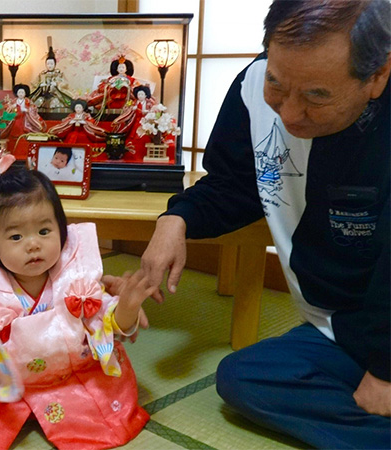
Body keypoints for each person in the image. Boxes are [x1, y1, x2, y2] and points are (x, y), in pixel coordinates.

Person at [141, 0, 390, 448]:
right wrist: (176, 218)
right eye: (277, 83)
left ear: (378, 76)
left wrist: (386, 370)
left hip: (383, 326)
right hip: (336, 329)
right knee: (243, 378)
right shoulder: (253, 85)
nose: (289, 114)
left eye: (317, 95)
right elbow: (235, 187)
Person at [0, 158, 153, 450]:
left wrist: (126, 305)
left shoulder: (76, 275)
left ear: (62, 232)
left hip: (71, 373)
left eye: (44, 231)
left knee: (95, 405)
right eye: (16, 236)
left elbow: (110, 327)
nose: (33, 244)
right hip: (10, 377)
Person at [0, 83, 46, 157]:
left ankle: (23, 150)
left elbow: (33, 109)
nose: (21, 94)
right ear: (16, 93)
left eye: (22, 92)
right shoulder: (14, 101)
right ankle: (12, 149)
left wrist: (27, 110)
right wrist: (12, 107)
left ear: (25, 93)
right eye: (19, 92)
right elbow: (7, 107)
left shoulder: (28, 101)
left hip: (25, 119)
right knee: (14, 131)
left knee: (24, 133)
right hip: (15, 118)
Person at [111, 85, 157, 154]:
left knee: (144, 133)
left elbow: (152, 111)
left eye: (142, 94)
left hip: (145, 120)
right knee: (133, 132)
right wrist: (132, 108)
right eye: (139, 94)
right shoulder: (135, 102)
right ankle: (132, 145)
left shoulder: (148, 103)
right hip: (136, 119)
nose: (140, 96)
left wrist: (146, 112)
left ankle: (142, 146)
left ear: (145, 95)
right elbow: (127, 109)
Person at [29, 43, 74, 113]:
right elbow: (33, 84)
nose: (49, 66)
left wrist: (57, 84)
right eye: (48, 64)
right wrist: (40, 85)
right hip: (43, 96)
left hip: (56, 96)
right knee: (37, 103)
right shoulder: (42, 74)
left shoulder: (59, 73)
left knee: (55, 102)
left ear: (55, 64)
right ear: (46, 64)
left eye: (51, 64)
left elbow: (65, 83)